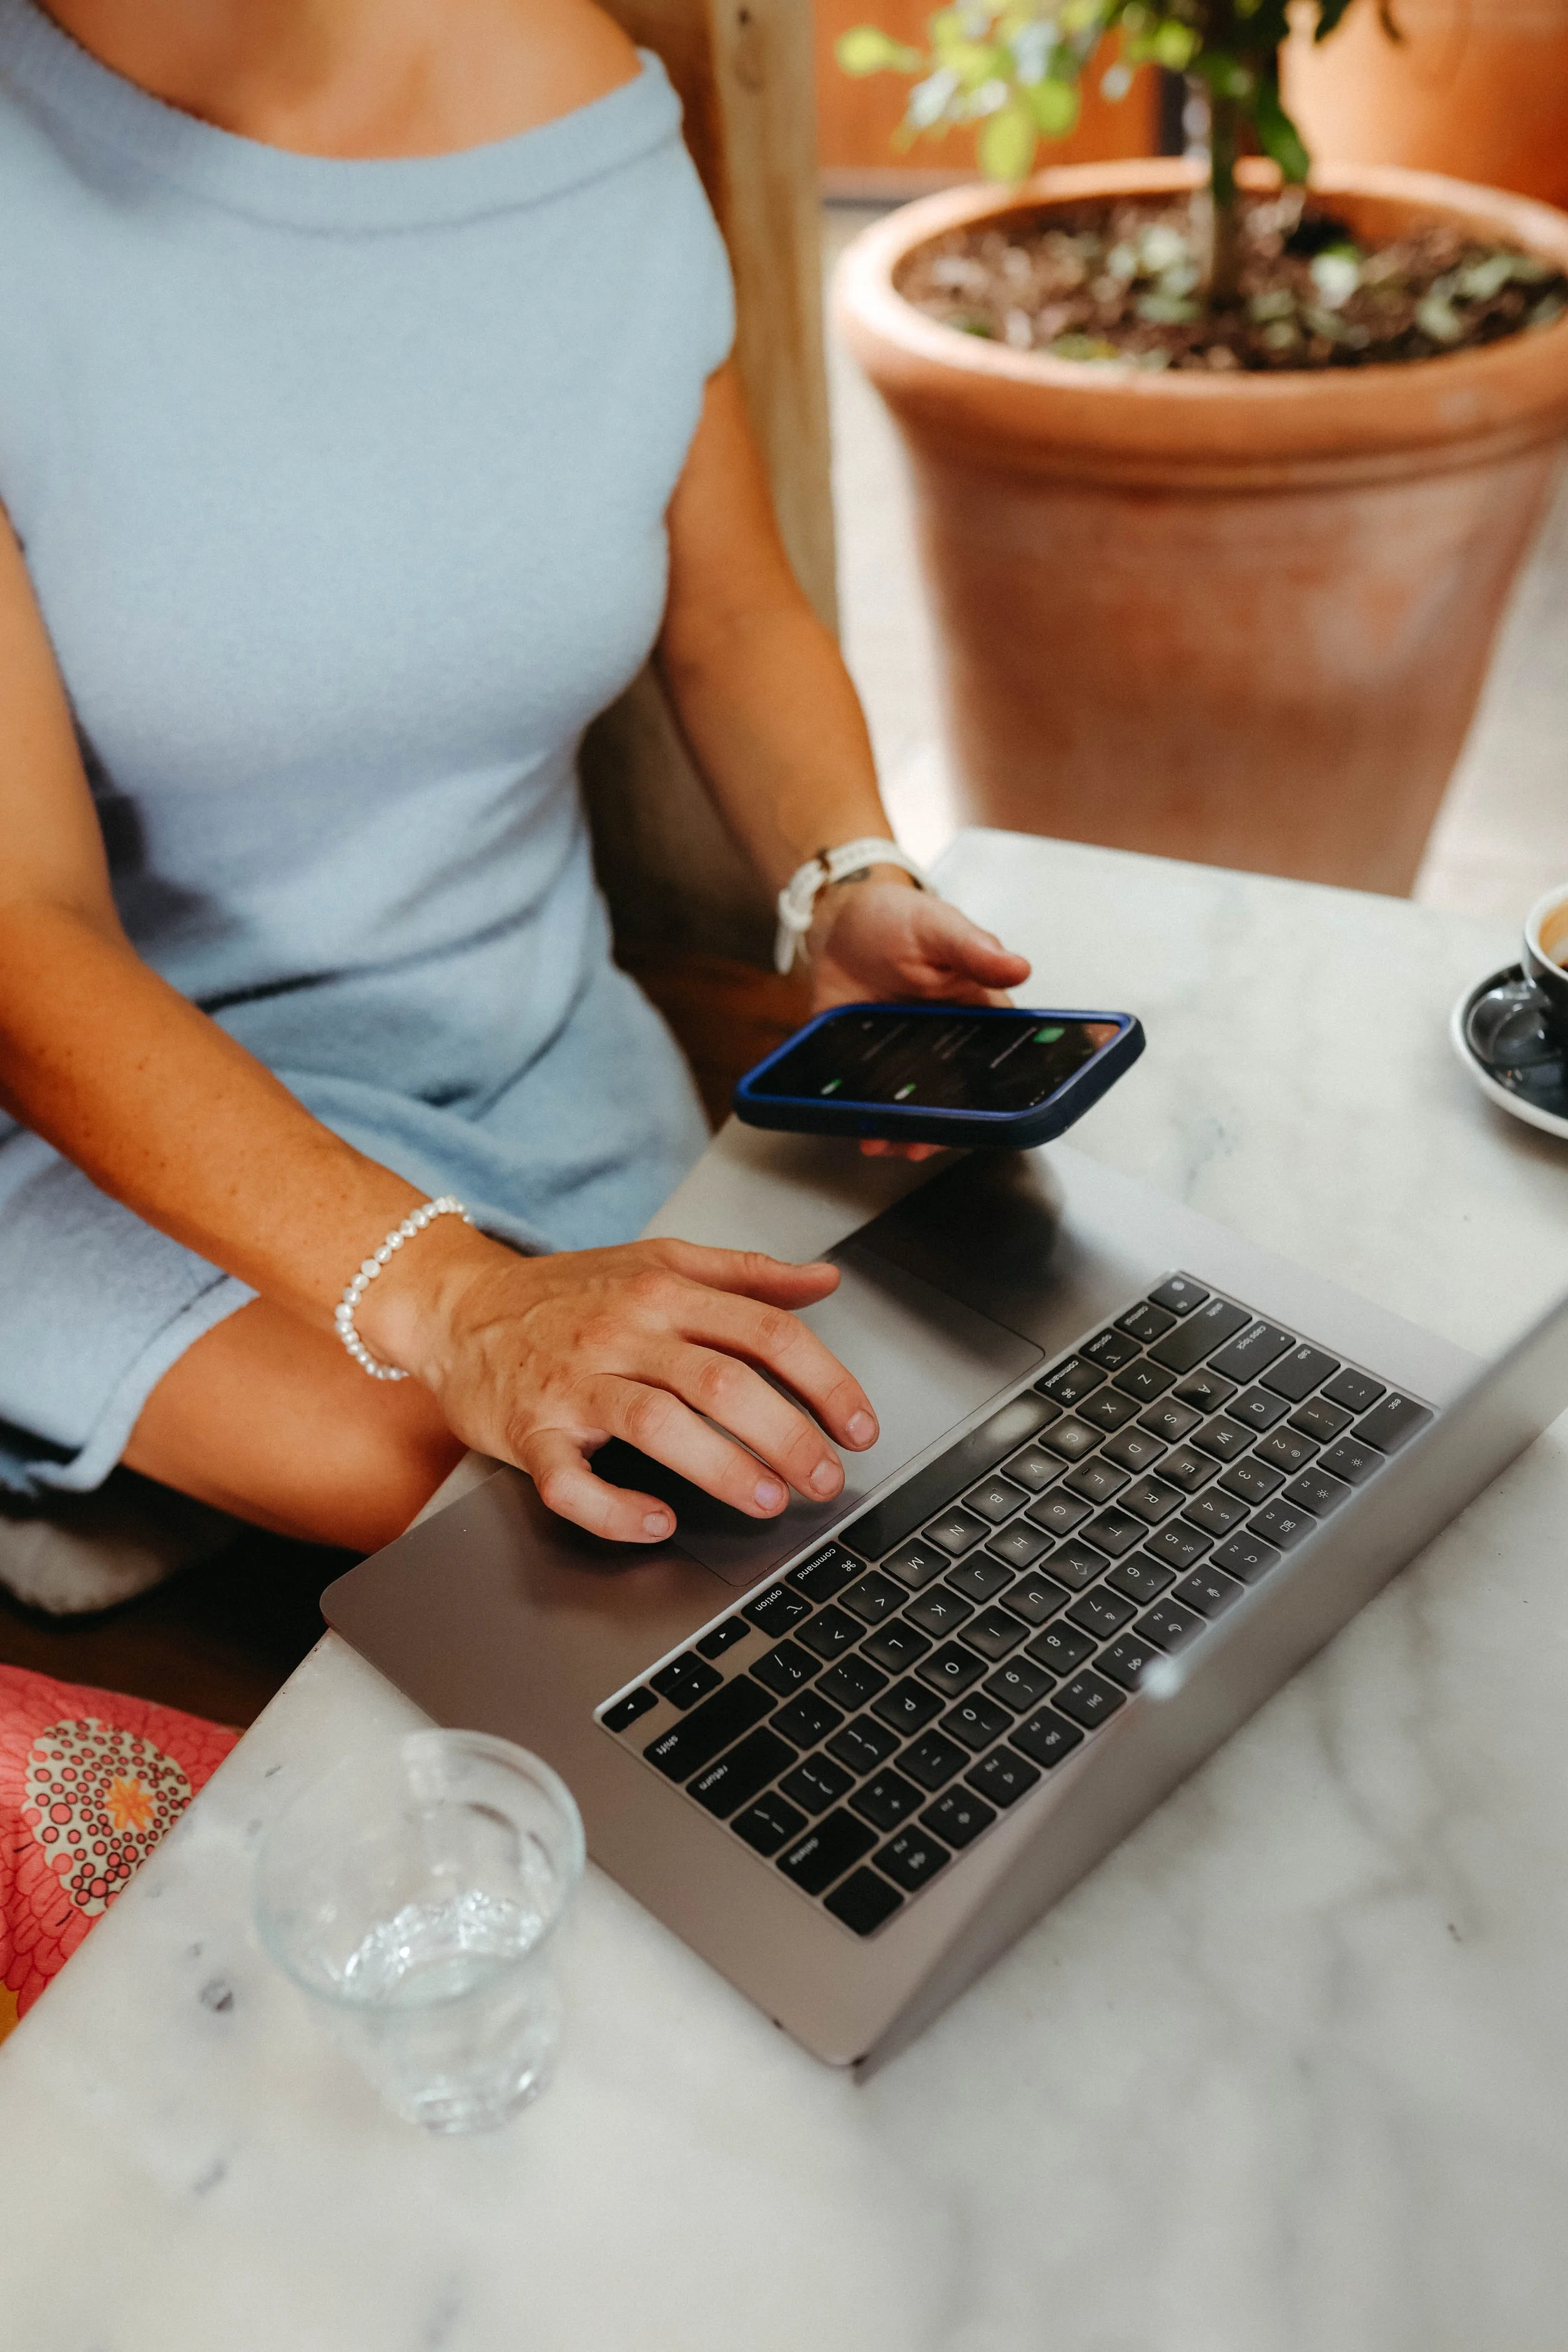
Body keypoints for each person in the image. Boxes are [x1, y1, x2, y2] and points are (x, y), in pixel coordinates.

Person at [0, 0, 1030, 1559]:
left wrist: (842, 876)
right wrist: (461, 1302)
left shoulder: (586, 107)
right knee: (564, 1522)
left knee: (894, 1432)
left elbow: (733, 609)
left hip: (546, 1065)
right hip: (110, 1149)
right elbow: (24, 930)